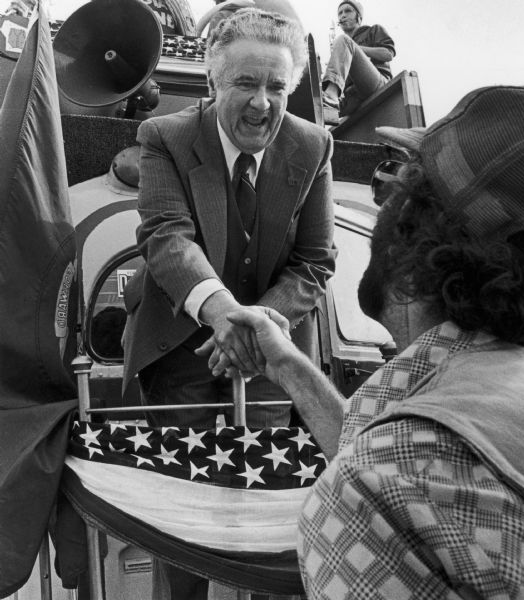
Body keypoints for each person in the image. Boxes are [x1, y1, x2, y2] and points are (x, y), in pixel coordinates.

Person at [213, 85, 524, 598]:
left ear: (409, 228)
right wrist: (287, 365)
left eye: (391, 188)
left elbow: (387, 469)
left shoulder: (371, 494)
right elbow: (397, 440)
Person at [121, 7, 336, 599]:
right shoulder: (163, 135)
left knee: (264, 510)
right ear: (212, 84)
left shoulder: (315, 145)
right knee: (182, 511)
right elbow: (166, 238)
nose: (263, 102)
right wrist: (222, 314)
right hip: (179, 346)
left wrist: (258, 328)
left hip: (272, 355)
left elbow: (315, 263)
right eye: (245, 83)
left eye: (277, 87)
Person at [321, 1, 395, 118]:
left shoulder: (373, 30)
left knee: (342, 40)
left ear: (359, 18)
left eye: (348, 11)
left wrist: (355, 48)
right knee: (316, 107)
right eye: (340, 13)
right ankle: (328, 101)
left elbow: (388, 54)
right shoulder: (342, 46)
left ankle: (330, 97)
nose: (343, 15)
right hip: (354, 96)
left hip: (377, 84)